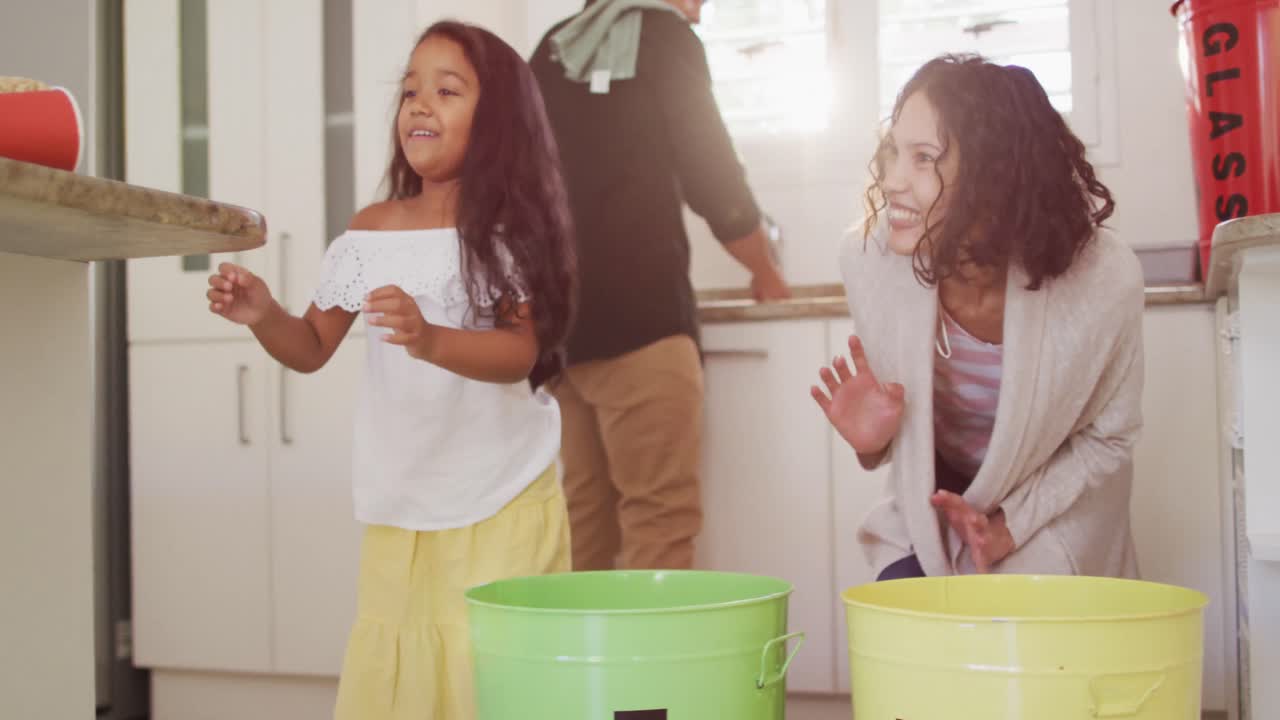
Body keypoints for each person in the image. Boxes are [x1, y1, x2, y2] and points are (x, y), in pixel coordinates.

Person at [205, 21, 576, 719]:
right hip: (403, 503)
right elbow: (312, 345)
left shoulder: (505, 231)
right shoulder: (370, 230)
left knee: (493, 680)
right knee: (403, 684)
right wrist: (264, 314)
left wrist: (431, 338)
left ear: (497, 121)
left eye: (446, 90)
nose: (419, 105)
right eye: (410, 90)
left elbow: (518, 352)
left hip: (502, 496)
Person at [812, 54, 1144, 581]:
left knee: (1024, 635)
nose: (893, 180)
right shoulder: (870, 260)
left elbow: (1110, 439)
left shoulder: (1103, 276)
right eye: (895, 152)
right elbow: (916, 443)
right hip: (936, 507)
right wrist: (874, 443)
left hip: (1049, 510)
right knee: (902, 613)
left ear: (996, 176)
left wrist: (1012, 523)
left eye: (924, 158)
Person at [529, 0, 791, 571]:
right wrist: (764, 270)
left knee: (584, 525)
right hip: (642, 324)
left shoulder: (553, 48)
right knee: (659, 521)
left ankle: (583, 663)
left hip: (564, 337)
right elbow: (713, 174)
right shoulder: (664, 38)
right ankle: (649, 665)